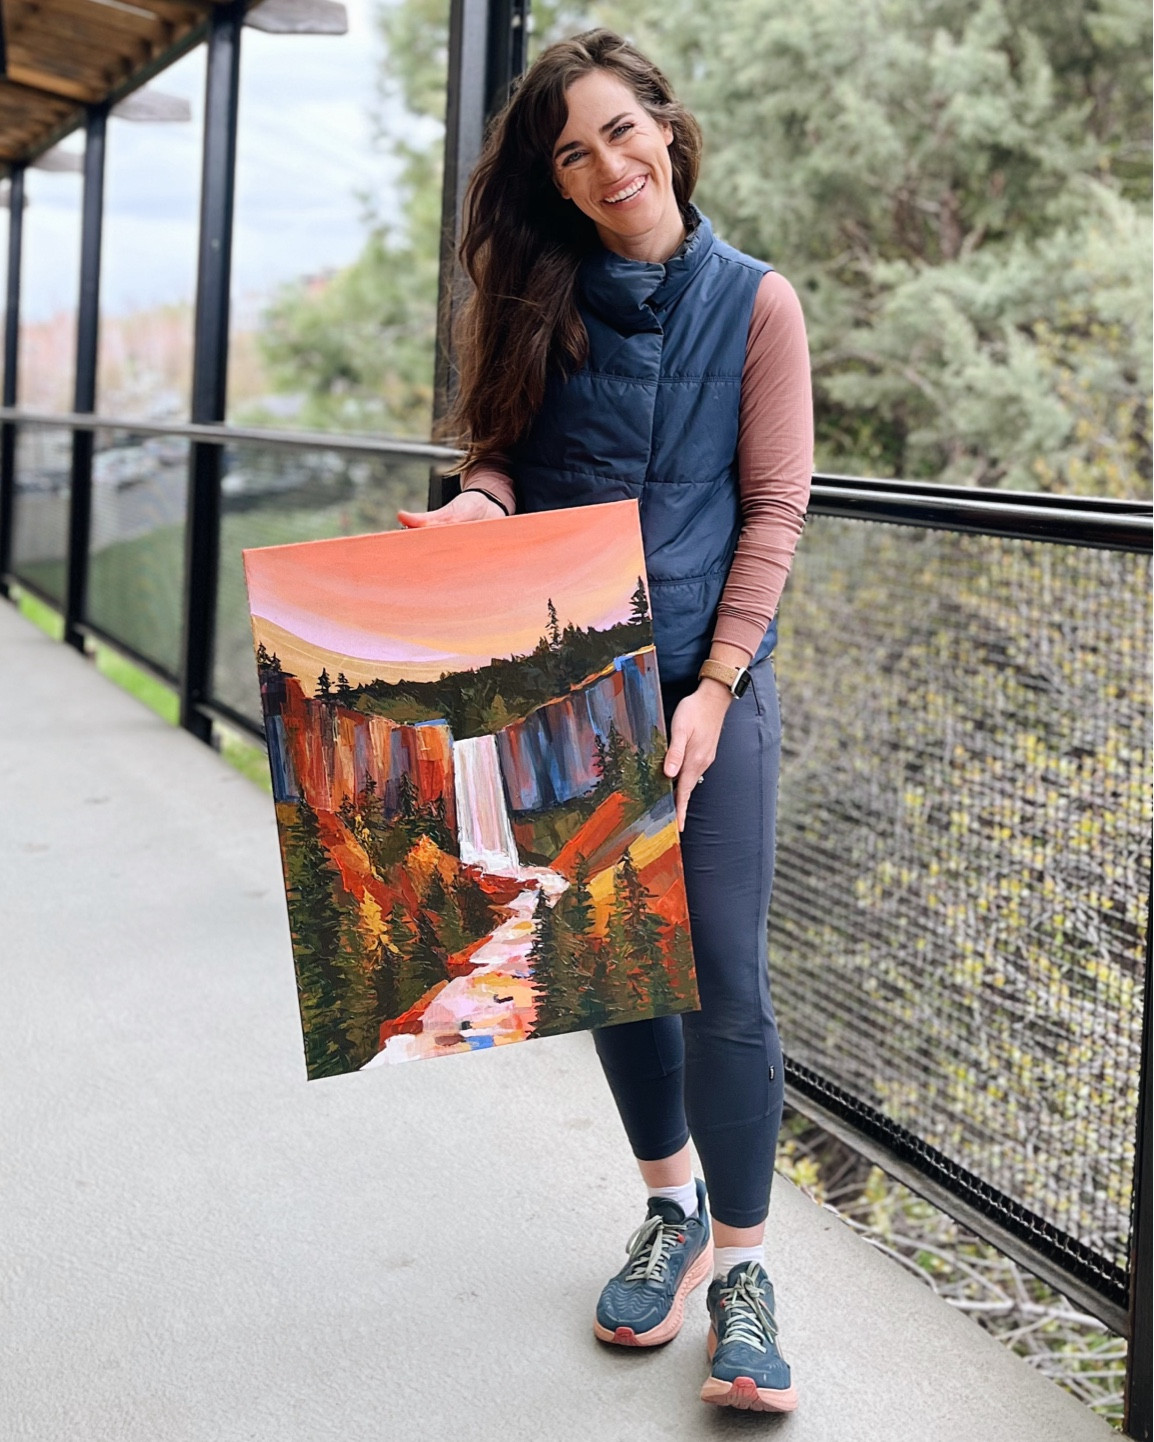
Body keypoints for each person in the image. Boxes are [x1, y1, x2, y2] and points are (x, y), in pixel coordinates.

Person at [399, 28, 813, 1415]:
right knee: (612, 969)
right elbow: (503, 461)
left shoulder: (756, 304)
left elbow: (773, 509)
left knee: (726, 990)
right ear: (556, 181)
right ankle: (671, 1207)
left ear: (669, 130)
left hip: (708, 686)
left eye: (620, 129)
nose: (604, 163)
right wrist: (473, 506)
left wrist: (714, 685)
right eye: (571, 151)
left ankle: (747, 1270)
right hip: (566, 683)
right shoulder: (536, 294)